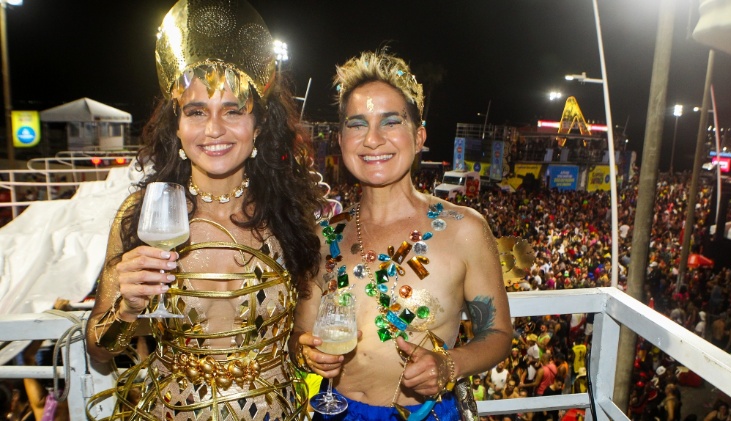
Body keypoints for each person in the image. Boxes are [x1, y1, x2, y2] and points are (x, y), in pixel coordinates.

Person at [84, 0, 324, 419]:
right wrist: (125, 309)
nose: (214, 130)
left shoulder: (292, 216)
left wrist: (314, 354)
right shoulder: (141, 216)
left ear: (259, 126)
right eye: (196, 112)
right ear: (176, 127)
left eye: (233, 111)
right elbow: (99, 350)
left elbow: (301, 341)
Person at [291, 50, 513, 420]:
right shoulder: (322, 235)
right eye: (357, 124)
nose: (373, 139)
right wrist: (308, 353)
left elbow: (499, 335)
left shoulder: (465, 230)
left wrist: (449, 364)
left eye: (390, 122)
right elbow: (300, 334)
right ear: (342, 138)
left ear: (419, 135)